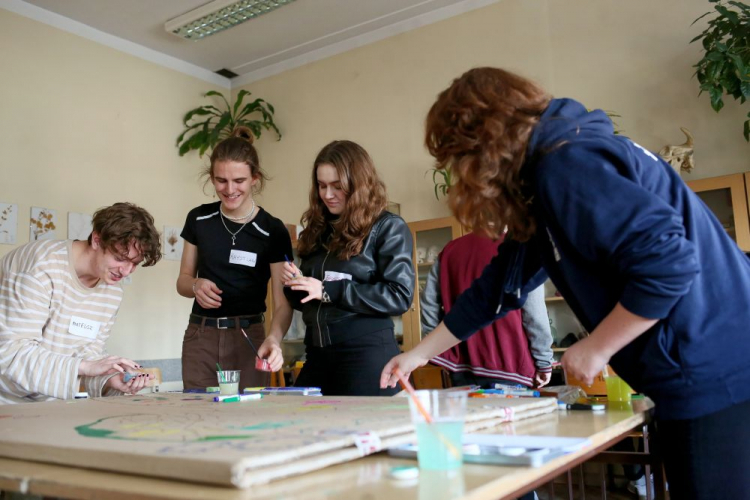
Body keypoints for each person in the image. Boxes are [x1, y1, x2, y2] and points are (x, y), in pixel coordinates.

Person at [381, 67, 750, 499]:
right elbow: (494, 290)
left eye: (458, 159)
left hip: (713, 371)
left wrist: (598, 347)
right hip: (706, 367)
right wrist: (417, 356)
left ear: (483, 143)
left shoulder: (567, 164)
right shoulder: (547, 179)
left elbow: (668, 265)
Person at [281, 140, 415, 396]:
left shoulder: (387, 227)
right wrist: (296, 284)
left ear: (358, 184)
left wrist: (329, 290)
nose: (327, 194)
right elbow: (306, 302)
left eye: (337, 186)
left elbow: (399, 296)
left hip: (366, 355)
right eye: (322, 186)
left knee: (364, 435)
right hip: (317, 354)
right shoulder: (317, 230)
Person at [0, 202, 162, 403]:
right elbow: (11, 355)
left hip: (51, 401)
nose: (126, 271)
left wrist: (111, 379)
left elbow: (86, 356)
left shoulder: (112, 290)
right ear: (96, 239)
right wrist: (85, 366)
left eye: (134, 263)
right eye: (120, 258)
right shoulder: (41, 265)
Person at [177, 127, 292, 391]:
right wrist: (195, 285)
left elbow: (283, 304)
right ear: (211, 178)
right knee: (198, 417)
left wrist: (274, 340)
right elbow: (182, 282)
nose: (229, 190)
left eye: (239, 180)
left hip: (249, 337)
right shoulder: (198, 219)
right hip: (201, 336)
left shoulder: (272, 230)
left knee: (247, 419)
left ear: (255, 178)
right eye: (221, 181)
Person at [421, 232, 553, 389]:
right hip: (510, 364)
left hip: (461, 365)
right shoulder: (519, 248)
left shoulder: (449, 250)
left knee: (468, 414)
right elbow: (534, 314)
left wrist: (434, 349)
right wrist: (544, 361)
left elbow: (428, 301)